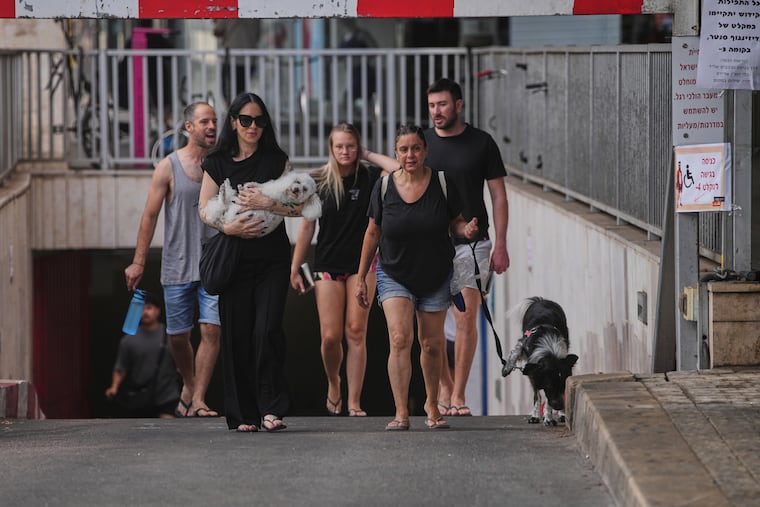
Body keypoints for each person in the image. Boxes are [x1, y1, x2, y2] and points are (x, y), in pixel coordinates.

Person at [356, 124, 479, 431]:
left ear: (425, 151)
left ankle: (432, 405)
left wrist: (466, 231)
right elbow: (372, 232)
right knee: (399, 338)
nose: (410, 155)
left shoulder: (441, 182)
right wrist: (361, 277)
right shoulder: (384, 187)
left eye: (415, 148)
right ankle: (400, 412)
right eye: (403, 149)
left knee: (432, 345)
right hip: (394, 272)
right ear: (396, 152)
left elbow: (456, 224)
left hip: (435, 275)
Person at [199, 92, 305, 433]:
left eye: (259, 120)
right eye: (246, 120)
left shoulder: (276, 160)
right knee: (237, 335)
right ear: (233, 122)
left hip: (272, 260)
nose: (253, 126)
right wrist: (226, 226)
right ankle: (244, 413)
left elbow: (300, 207)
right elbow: (203, 208)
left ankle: (272, 407)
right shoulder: (217, 162)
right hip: (235, 260)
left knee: (267, 329)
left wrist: (267, 202)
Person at [124, 101, 222, 419]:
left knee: (211, 331)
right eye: (205, 121)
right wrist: (138, 262)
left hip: (212, 264)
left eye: (215, 122)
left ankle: (200, 399)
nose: (211, 127)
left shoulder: (221, 164)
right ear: (188, 127)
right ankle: (189, 385)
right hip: (178, 263)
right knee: (178, 337)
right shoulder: (168, 167)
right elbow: (150, 216)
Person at [290, 123, 393, 417]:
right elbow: (307, 226)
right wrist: (295, 266)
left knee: (356, 332)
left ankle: (353, 401)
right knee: (330, 337)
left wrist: (369, 154)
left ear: (357, 147)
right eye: (339, 146)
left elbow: (397, 170)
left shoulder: (371, 176)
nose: (345, 152)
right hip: (328, 265)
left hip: (363, 265)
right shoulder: (320, 180)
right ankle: (334, 383)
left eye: (350, 146)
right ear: (331, 149)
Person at [424, 78, 510, 417]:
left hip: (471, 245)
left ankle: (458, 393)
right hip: (430, 244)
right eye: (432, 106)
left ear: (459, 105)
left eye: (442, 105)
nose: (436, 112)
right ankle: (444, 387)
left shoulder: (482, 143)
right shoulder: (424, 143)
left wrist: (501, 244)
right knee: (429, 323)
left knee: (465, 317)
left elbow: (499, 196)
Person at [105, 292, 179, 418]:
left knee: (168, 431)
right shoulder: (128, 340)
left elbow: (183, 363)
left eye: (149, 308)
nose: (145, 312)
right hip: (140, 396)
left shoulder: (171, 335)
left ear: (158, 311)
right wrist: (114, 386)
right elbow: (121, 367)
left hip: (167, 395)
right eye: (141, 308)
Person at [213, 19, 261, 105]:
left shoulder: (228, 11)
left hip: (231, 58)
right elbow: (258, 35)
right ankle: (240, 110)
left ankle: (232, 111)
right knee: (242, 90)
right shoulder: (255, 15)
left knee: (228, 91)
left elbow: (217, 31)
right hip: (249, 59)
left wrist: (216, 21)